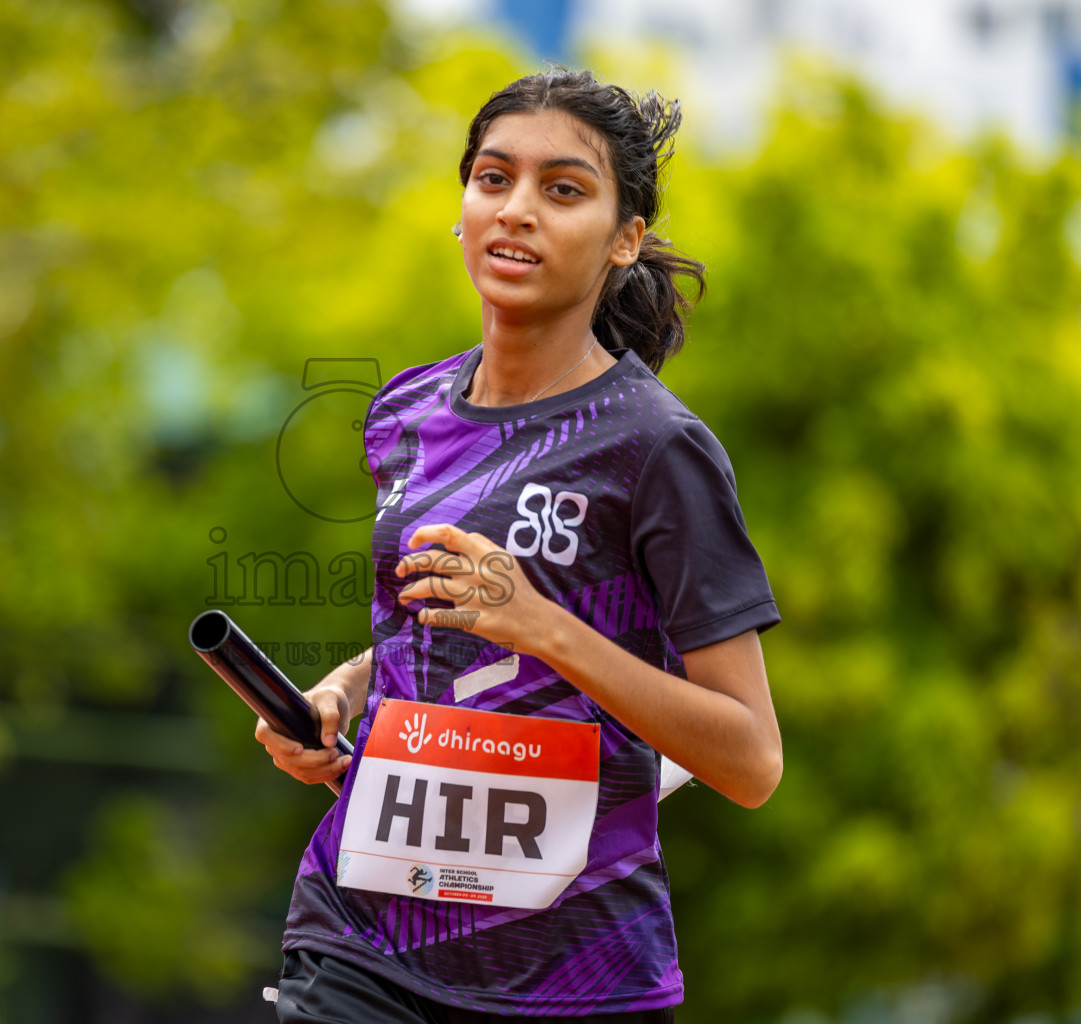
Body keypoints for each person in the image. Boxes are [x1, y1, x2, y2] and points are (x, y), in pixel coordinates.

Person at [254, 67, 783, 1023]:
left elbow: (749, 760)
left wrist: (546, 627)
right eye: (493, 179)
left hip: (575, 973)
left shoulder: (657, 448)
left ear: (626, 241)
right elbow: (434, 632)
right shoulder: (406, 414)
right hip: (361, 937)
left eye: (564, 188)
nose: (517, 210)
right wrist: (339, 692)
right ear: (460, 208)